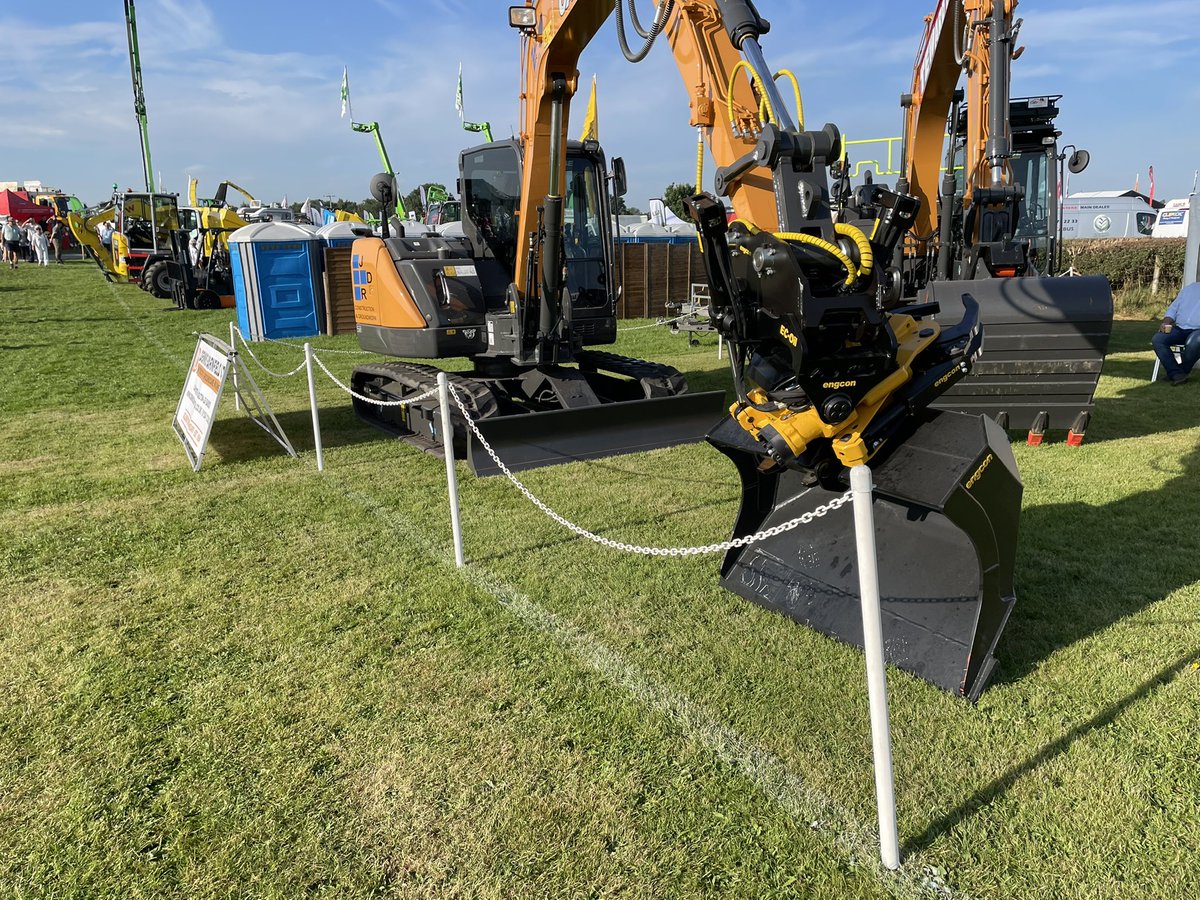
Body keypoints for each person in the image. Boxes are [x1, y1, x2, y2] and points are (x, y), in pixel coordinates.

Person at [1153, 280, 1200, 386]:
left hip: (1198, 331)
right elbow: (1173, 309)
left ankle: (1178, 372)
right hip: (1180, 328)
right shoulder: (1189, 289)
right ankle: (1177, 373)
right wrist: (1166, 322)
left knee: (1194, 342)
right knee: (1158, 339)